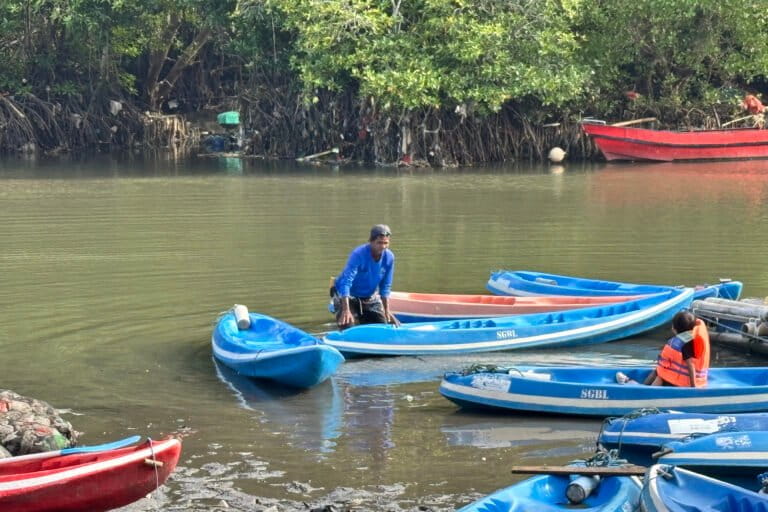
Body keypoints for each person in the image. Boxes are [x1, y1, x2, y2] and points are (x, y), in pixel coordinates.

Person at [330, 224, 400, 329]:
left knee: (384, 327)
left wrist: (386, 311)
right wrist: (346, 310)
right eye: (379, 243)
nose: (383, 247)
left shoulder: (389, 257)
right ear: (371, 241)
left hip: (369, 298)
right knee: (348, 326)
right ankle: (342, 311)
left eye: (386, 243)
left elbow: (385, 286)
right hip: (348, 296)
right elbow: (346, 282)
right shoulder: (358, 254)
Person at [616, 310, 710, 387]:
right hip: (678, 377)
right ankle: (642, 387)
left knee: (660, 378)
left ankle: (643, 391)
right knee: (657, 371)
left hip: (684, 383)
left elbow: (691, 366)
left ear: (674, 329)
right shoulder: (683, 340)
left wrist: (693, 388)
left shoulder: (686, 344)